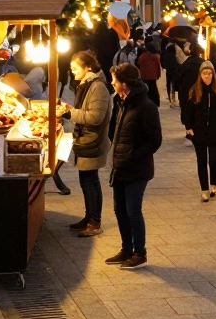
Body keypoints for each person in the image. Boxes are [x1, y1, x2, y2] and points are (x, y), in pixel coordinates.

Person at [105, 63, 161, 270]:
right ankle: (126, 249)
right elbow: (114, 131)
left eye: (115, 80)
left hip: (137, 168)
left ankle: (140, 252)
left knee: (133, 211)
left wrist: (132, 155)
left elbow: (155, 140)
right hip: (120, 165)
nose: (112, 83)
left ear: (124, 83)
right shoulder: (120, 102)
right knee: (119, 210)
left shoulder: (146, 106)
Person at [65, 52, 111, 237]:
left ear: (88, 68)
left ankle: (95, 222)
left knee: (91, 181)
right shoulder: (85, 85)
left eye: (75, 68)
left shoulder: (97, 87)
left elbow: (95, 117)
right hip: (85, 140)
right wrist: (69, 110)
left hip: (93, 141)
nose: (72, 71)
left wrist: (70, 113)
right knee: (86, 180)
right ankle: (88, 217)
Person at [182, 60, 216, 201]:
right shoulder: (195, 91)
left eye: (209, 73)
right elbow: (188, 112)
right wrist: (188, 127)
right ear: (200, 75)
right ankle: (204, 189)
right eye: (204, 73)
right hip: (199, 132)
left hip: (215, 131)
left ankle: (213, 185)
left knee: (214, 160)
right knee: (202, 161)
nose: (207, 76)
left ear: (213, 74)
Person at [136, 40, 162, 107]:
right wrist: (158, 74)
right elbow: (158, 66)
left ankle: (147, 101)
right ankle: (156, 102)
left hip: (145, 75)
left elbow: (139, 63)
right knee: (154, 89)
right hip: (153, 75)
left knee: (146, 89)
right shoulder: (156, 56)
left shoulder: (143, 56)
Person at [161, 37, 181, 107]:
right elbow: (179, 62)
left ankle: (170, 100)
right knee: (174, 85)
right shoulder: (175, 55)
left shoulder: (166, 54)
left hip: (168, 71)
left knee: (169, 85)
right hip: (175, 71)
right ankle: (174, 99)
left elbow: (163, 62)